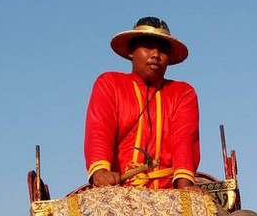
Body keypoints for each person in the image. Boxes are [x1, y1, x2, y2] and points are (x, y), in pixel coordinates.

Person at [84, 16, 200, 190]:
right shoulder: (109, 83)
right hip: (117, 186)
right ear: (131, 51)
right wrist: (100, 173)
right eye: (147, 47)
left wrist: (185, 186)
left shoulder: (183, 93)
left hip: (168, 189)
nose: (155, 54)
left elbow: (184, 140)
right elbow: (99, 130)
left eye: (163, 50)